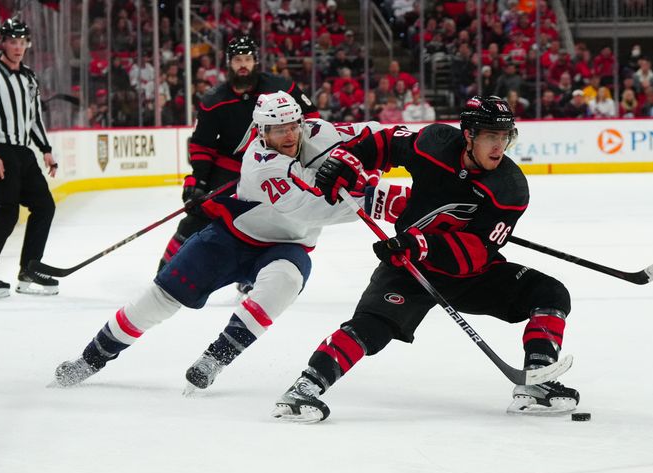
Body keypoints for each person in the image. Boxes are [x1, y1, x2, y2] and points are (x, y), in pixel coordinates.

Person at [52, 92, 404, 389]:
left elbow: (373, 136)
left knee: (286, 281)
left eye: (293, 125)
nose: (289, 135)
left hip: (288, 247)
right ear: (260, 131)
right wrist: (377, 198)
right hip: (232, 238)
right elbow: (307, 209)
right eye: (278, 129)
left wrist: (381, 158)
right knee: (159, 298)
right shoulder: (260, 163)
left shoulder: (319, 133)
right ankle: (92, 358)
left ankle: (215, 358)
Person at [272, 96, 579, 423]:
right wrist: (347, 159)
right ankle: (305, 389)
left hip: (466, 273)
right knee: (372, 327)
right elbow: (386, 143)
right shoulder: (435, 143)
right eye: (491, 136)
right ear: (469, 135)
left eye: (505, 137)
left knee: (550, 293)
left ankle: (539, 382)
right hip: (407, 265)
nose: (499, 146)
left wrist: (421, 243)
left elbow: (476, 252)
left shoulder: (510, 188)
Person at [157, 36, 319, 272]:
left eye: (247, 59)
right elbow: (203, 144)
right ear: (229, 63)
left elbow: (312, 118)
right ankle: (166, 270)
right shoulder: (214, 99)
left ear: (256, 62)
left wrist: (297, 154)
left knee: (268, 225)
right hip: (229, 169)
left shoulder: (280, 87)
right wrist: (199, 181)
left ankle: (252, 276)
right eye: (237, 60)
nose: (243, 65)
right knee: (196, 219)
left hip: (271, 167)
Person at [0, 19, 59, 298]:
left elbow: (34, 118)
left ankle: (29, 269)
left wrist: (45, 149)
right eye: (13, 41)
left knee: (44, 206)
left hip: (24, 152)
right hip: (0, 150)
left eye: (23, 42)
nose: (18, 47)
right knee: (6, 212)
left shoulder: (29, 77)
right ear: (3, 43)